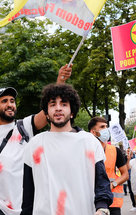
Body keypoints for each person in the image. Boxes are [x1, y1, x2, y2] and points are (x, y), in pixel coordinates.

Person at [0, 65, 72, 214]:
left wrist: (60, 81)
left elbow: (47, 112)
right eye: (4, 101)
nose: (10, 104)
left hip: (27, 207)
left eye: (12, 101)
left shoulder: (25, 126)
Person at [21, 83, 112, 215]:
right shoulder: (34, 145)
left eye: (63, 104)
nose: (58, 108)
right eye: (52, 104)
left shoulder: (89, 142)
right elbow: (28, 192)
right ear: (46, 113)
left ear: (72, 112)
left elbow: (101, 181)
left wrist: (102, 207)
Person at [88, 117, 129, 215]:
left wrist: (113, 184)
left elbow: (125, 175)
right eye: (102, 127)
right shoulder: (86, 151)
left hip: (113, 202)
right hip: (92, 201)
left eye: (106, 126)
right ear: (93, 132)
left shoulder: (115, 151)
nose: (106, 129)